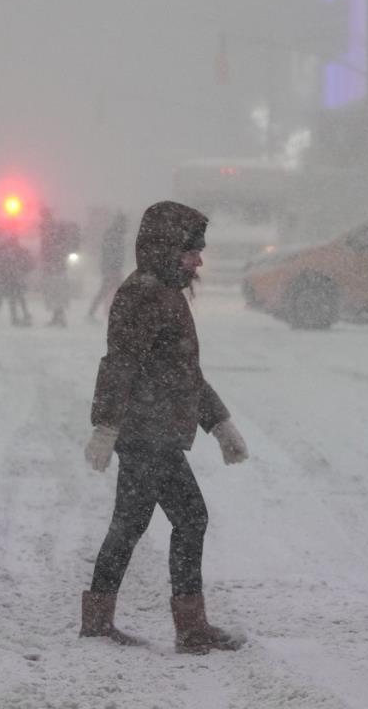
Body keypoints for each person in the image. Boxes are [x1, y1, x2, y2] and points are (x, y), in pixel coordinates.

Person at [80, 201, 249, 654]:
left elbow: (184, 373)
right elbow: (120, 363)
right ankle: (188, 627)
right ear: (166, 248)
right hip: (146, 433)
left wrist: (220, 423)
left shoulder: (167, 292)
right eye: (191, 251)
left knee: (131, 523)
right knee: (187, 518)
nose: (198, 260)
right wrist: (107, 426)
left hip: (155, 431)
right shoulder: (143, 295)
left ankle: (99, 620)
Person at [87, 211, 128, 322]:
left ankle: (91, 313)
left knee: (105, 291)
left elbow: (111, 252)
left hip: (112, 268)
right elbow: (111, 253)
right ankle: (124, 315)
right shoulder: (114, 235)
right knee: (119, 291)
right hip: (112, 269)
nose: (126, 225)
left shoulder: (115, 234)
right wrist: (112, 268)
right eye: (124, 222)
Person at [40, 208, 73, 327]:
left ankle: (60, 318)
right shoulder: (51, 230)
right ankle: (57, 317)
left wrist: (49, 263)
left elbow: (50, 251)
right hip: (57, 268)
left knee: (55, 293)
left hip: (54, 269)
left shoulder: (50, 231)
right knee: (57, 294)